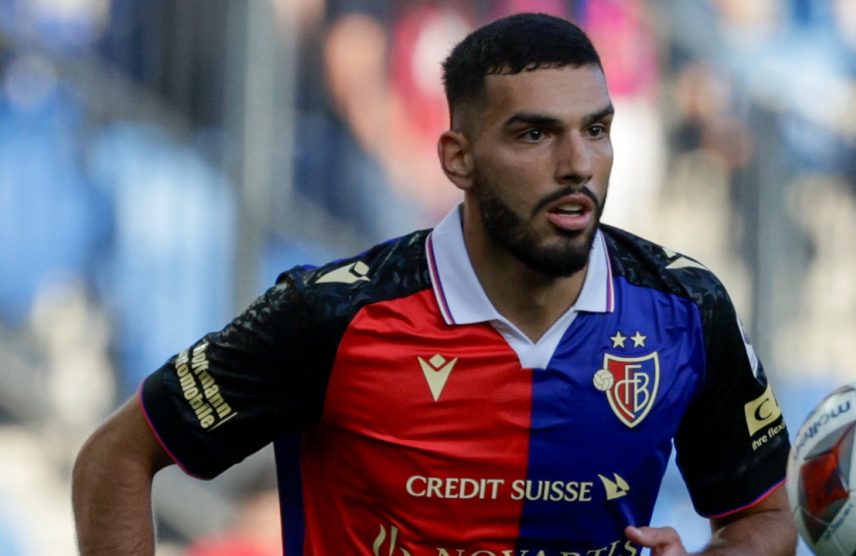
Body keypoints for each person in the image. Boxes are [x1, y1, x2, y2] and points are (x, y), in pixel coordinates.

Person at [72, 13, 796, 556]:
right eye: (535, 134)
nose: (578, 163)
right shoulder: (333, 314)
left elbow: (764, 515)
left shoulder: (684, 309)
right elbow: (116, 458)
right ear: (458, 158)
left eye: (596, 130)